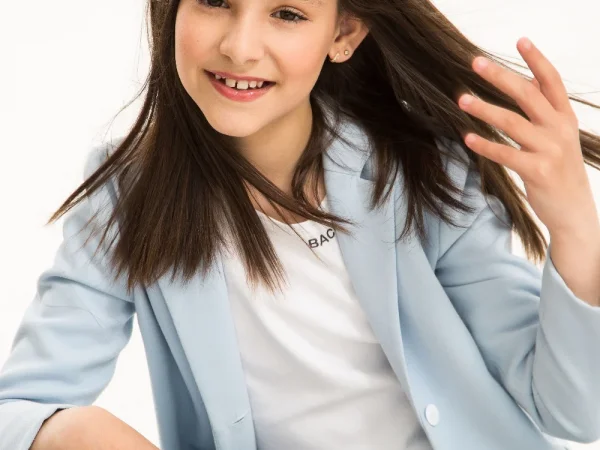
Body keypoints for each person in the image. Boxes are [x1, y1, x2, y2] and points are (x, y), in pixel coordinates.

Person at [1, 0, 600, 448]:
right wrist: (75, 432)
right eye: (214, 0)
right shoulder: (127, 196)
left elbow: (574, 412)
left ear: (343, 33)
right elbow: (19, 410)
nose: (240, 47)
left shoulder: (422, 170)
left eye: (286, 13)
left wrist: (575, 223)